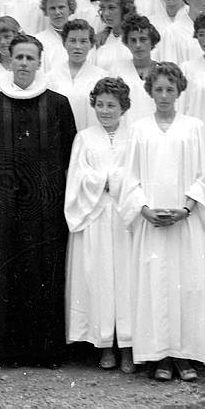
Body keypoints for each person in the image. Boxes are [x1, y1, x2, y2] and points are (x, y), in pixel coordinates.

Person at [119, 62, 205, 381]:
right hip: (151, 225)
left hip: (184, 224)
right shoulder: (139, 128)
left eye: (170, 89)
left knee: (186, 286)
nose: (164, 95)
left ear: (179, 91)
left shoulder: (192, 128)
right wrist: (145, 209)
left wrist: (187, 209)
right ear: (150, 91)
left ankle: (184, 356)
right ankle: (159, 357)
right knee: (155, 287)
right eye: (159, 89)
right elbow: (129, 177)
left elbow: (204, 176)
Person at [0, 34, 77, 367]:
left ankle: (45, 351)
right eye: (18, 57)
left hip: (47, 206)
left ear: (39, 62)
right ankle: (7, 351)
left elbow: (70, 158)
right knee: (7, 274)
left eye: (29, 58)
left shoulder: (58, 104)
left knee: (44, 272)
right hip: (6, 207)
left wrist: (65, 202)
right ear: (9, 60)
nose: (23, 63)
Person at [65, 77, 135, 373]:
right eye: (101, 104)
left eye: (112, 105)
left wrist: (115, 183)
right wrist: (103, 181)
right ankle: (104, 344)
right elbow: (77, 177)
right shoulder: (84, 138)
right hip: (93, 214)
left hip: (124, 217)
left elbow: (137, 173)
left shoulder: (134, 137)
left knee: (126, 280)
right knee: (99, 278)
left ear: (124, 107)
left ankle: (128, 345)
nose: (105, 111)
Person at [46, 19, 108, 131]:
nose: (77, 46)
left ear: (91, 45)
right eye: (72, 41)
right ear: (64, 43)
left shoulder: (101, 77)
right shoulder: (51, 77)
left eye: (83, 41)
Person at [111, 15, 159, 124]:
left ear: (152, 41)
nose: (138, 45)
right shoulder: (117, 71)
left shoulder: (162, 72)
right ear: (126, 43)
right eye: (133, 40)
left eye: (143, 39)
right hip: (125, 133)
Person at [93, 0, 138, 72]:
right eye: (103, 8)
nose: (106, 13)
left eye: (111, 8)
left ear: (125, 9)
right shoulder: (100, 40)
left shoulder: (138, 37)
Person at [35, 0, 76, 74]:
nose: (57, 12)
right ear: (46, 11)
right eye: (52, 8)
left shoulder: (81, 37)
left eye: (61, 7)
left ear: (70, 8)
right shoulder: (38, 40)